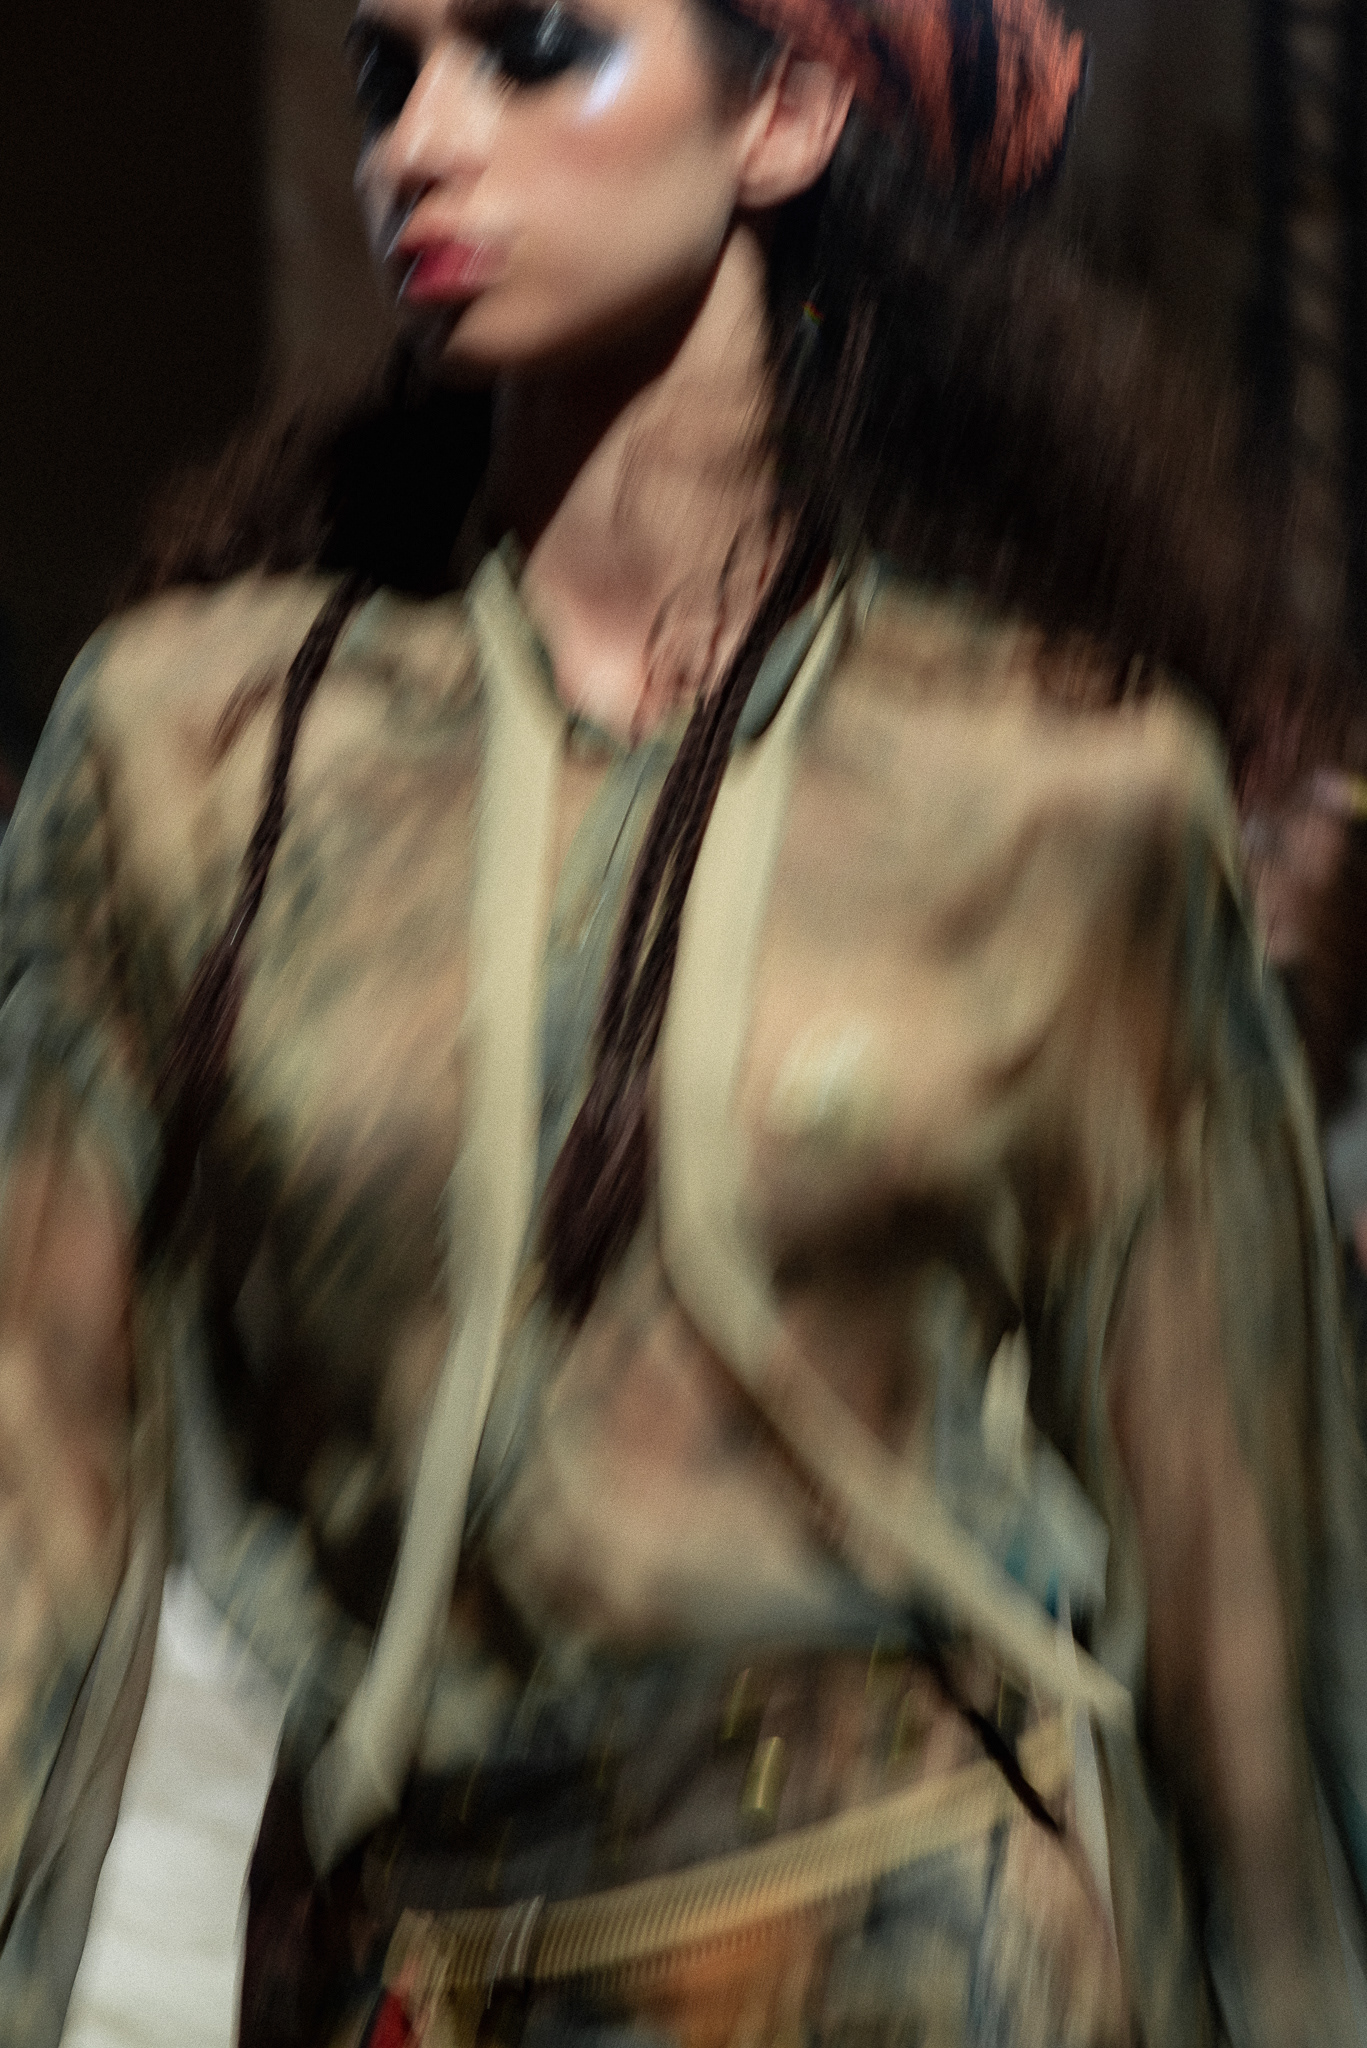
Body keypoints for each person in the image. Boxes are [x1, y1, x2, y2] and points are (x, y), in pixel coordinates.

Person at [2, 0, 1366, 2043]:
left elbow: (1255, 1666)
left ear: (789, 112)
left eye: (535, 47)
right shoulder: (194, 761)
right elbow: (27, 1506)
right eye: (385, 74)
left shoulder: (1054, 798)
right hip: (399, 1964)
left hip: (925, 1975)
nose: (417, 141)